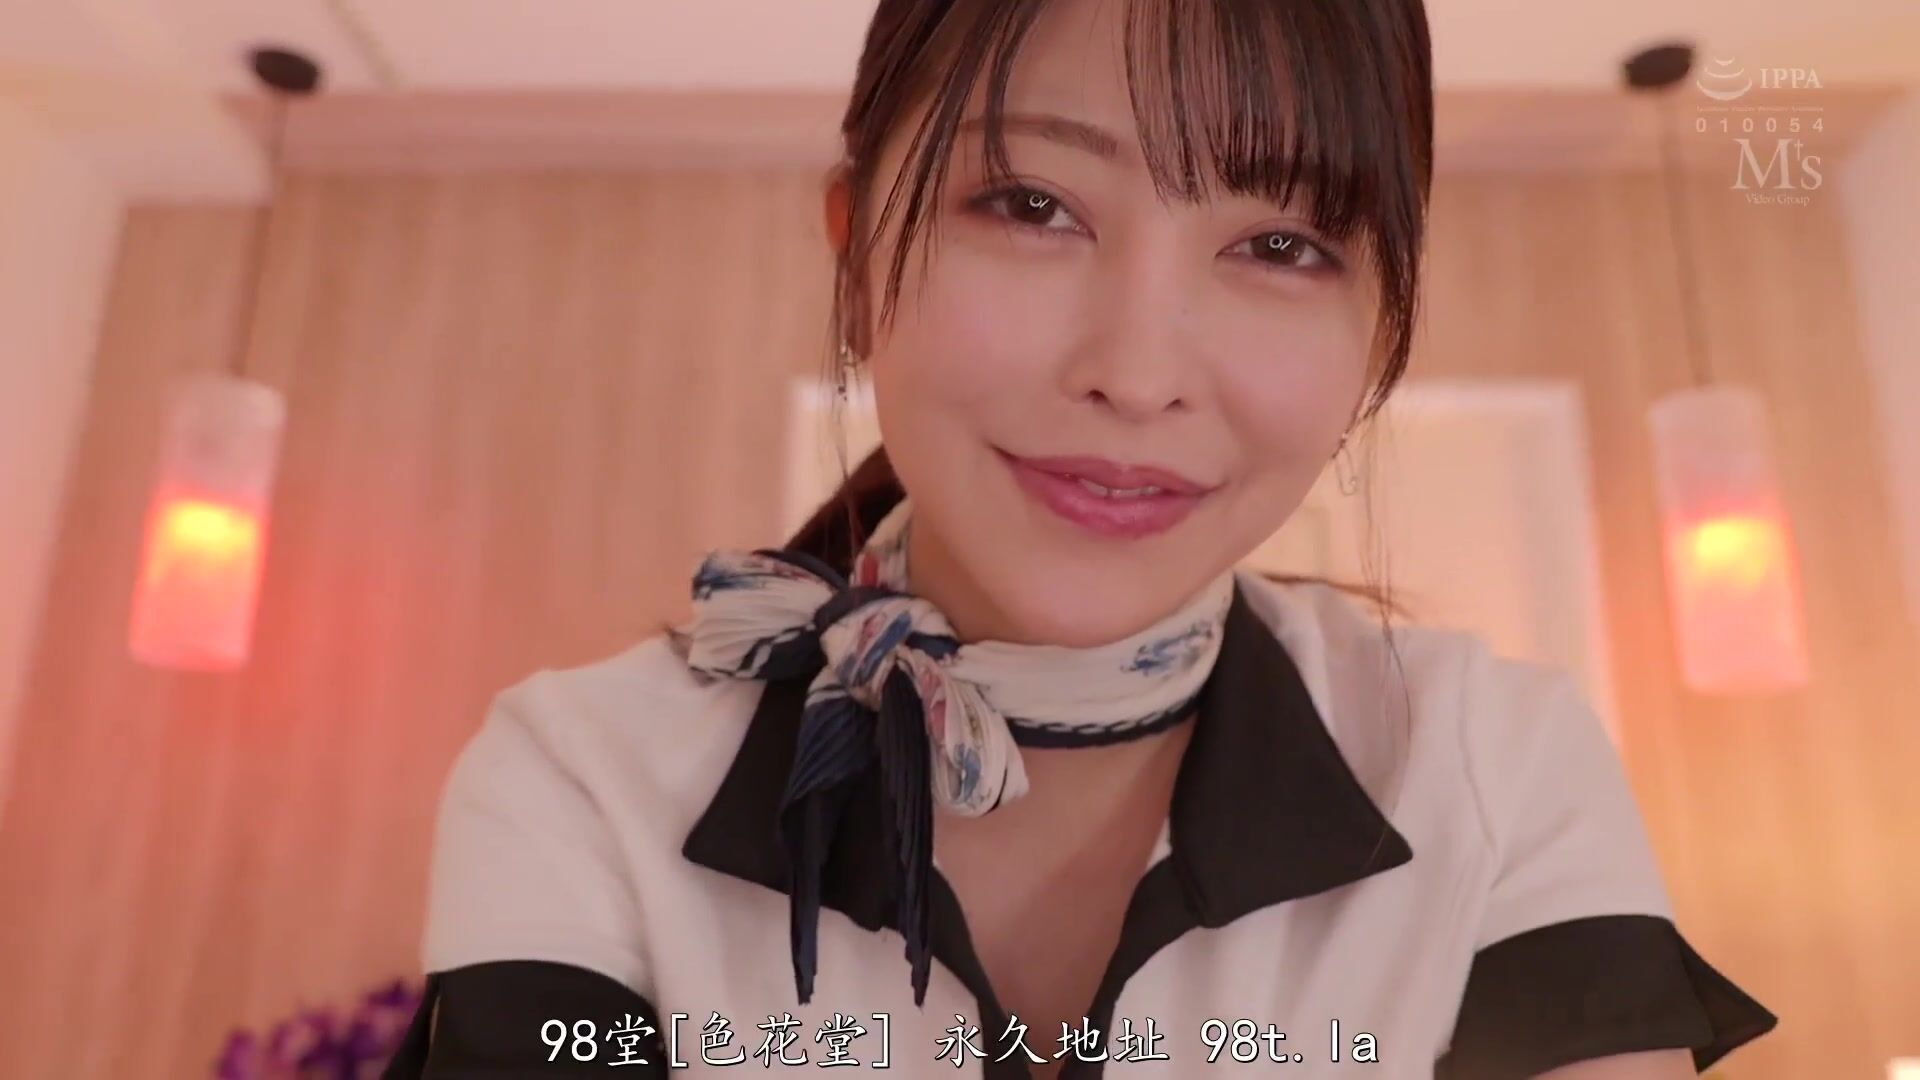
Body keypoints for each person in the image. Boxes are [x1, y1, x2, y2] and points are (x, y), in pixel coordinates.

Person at [383, 0, 1778, 1076]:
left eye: (1282, 245)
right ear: (857, 257)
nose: (1138, 373)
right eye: (1032, 205)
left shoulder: (1491, 767)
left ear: (1379, 334)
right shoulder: (588, 778)